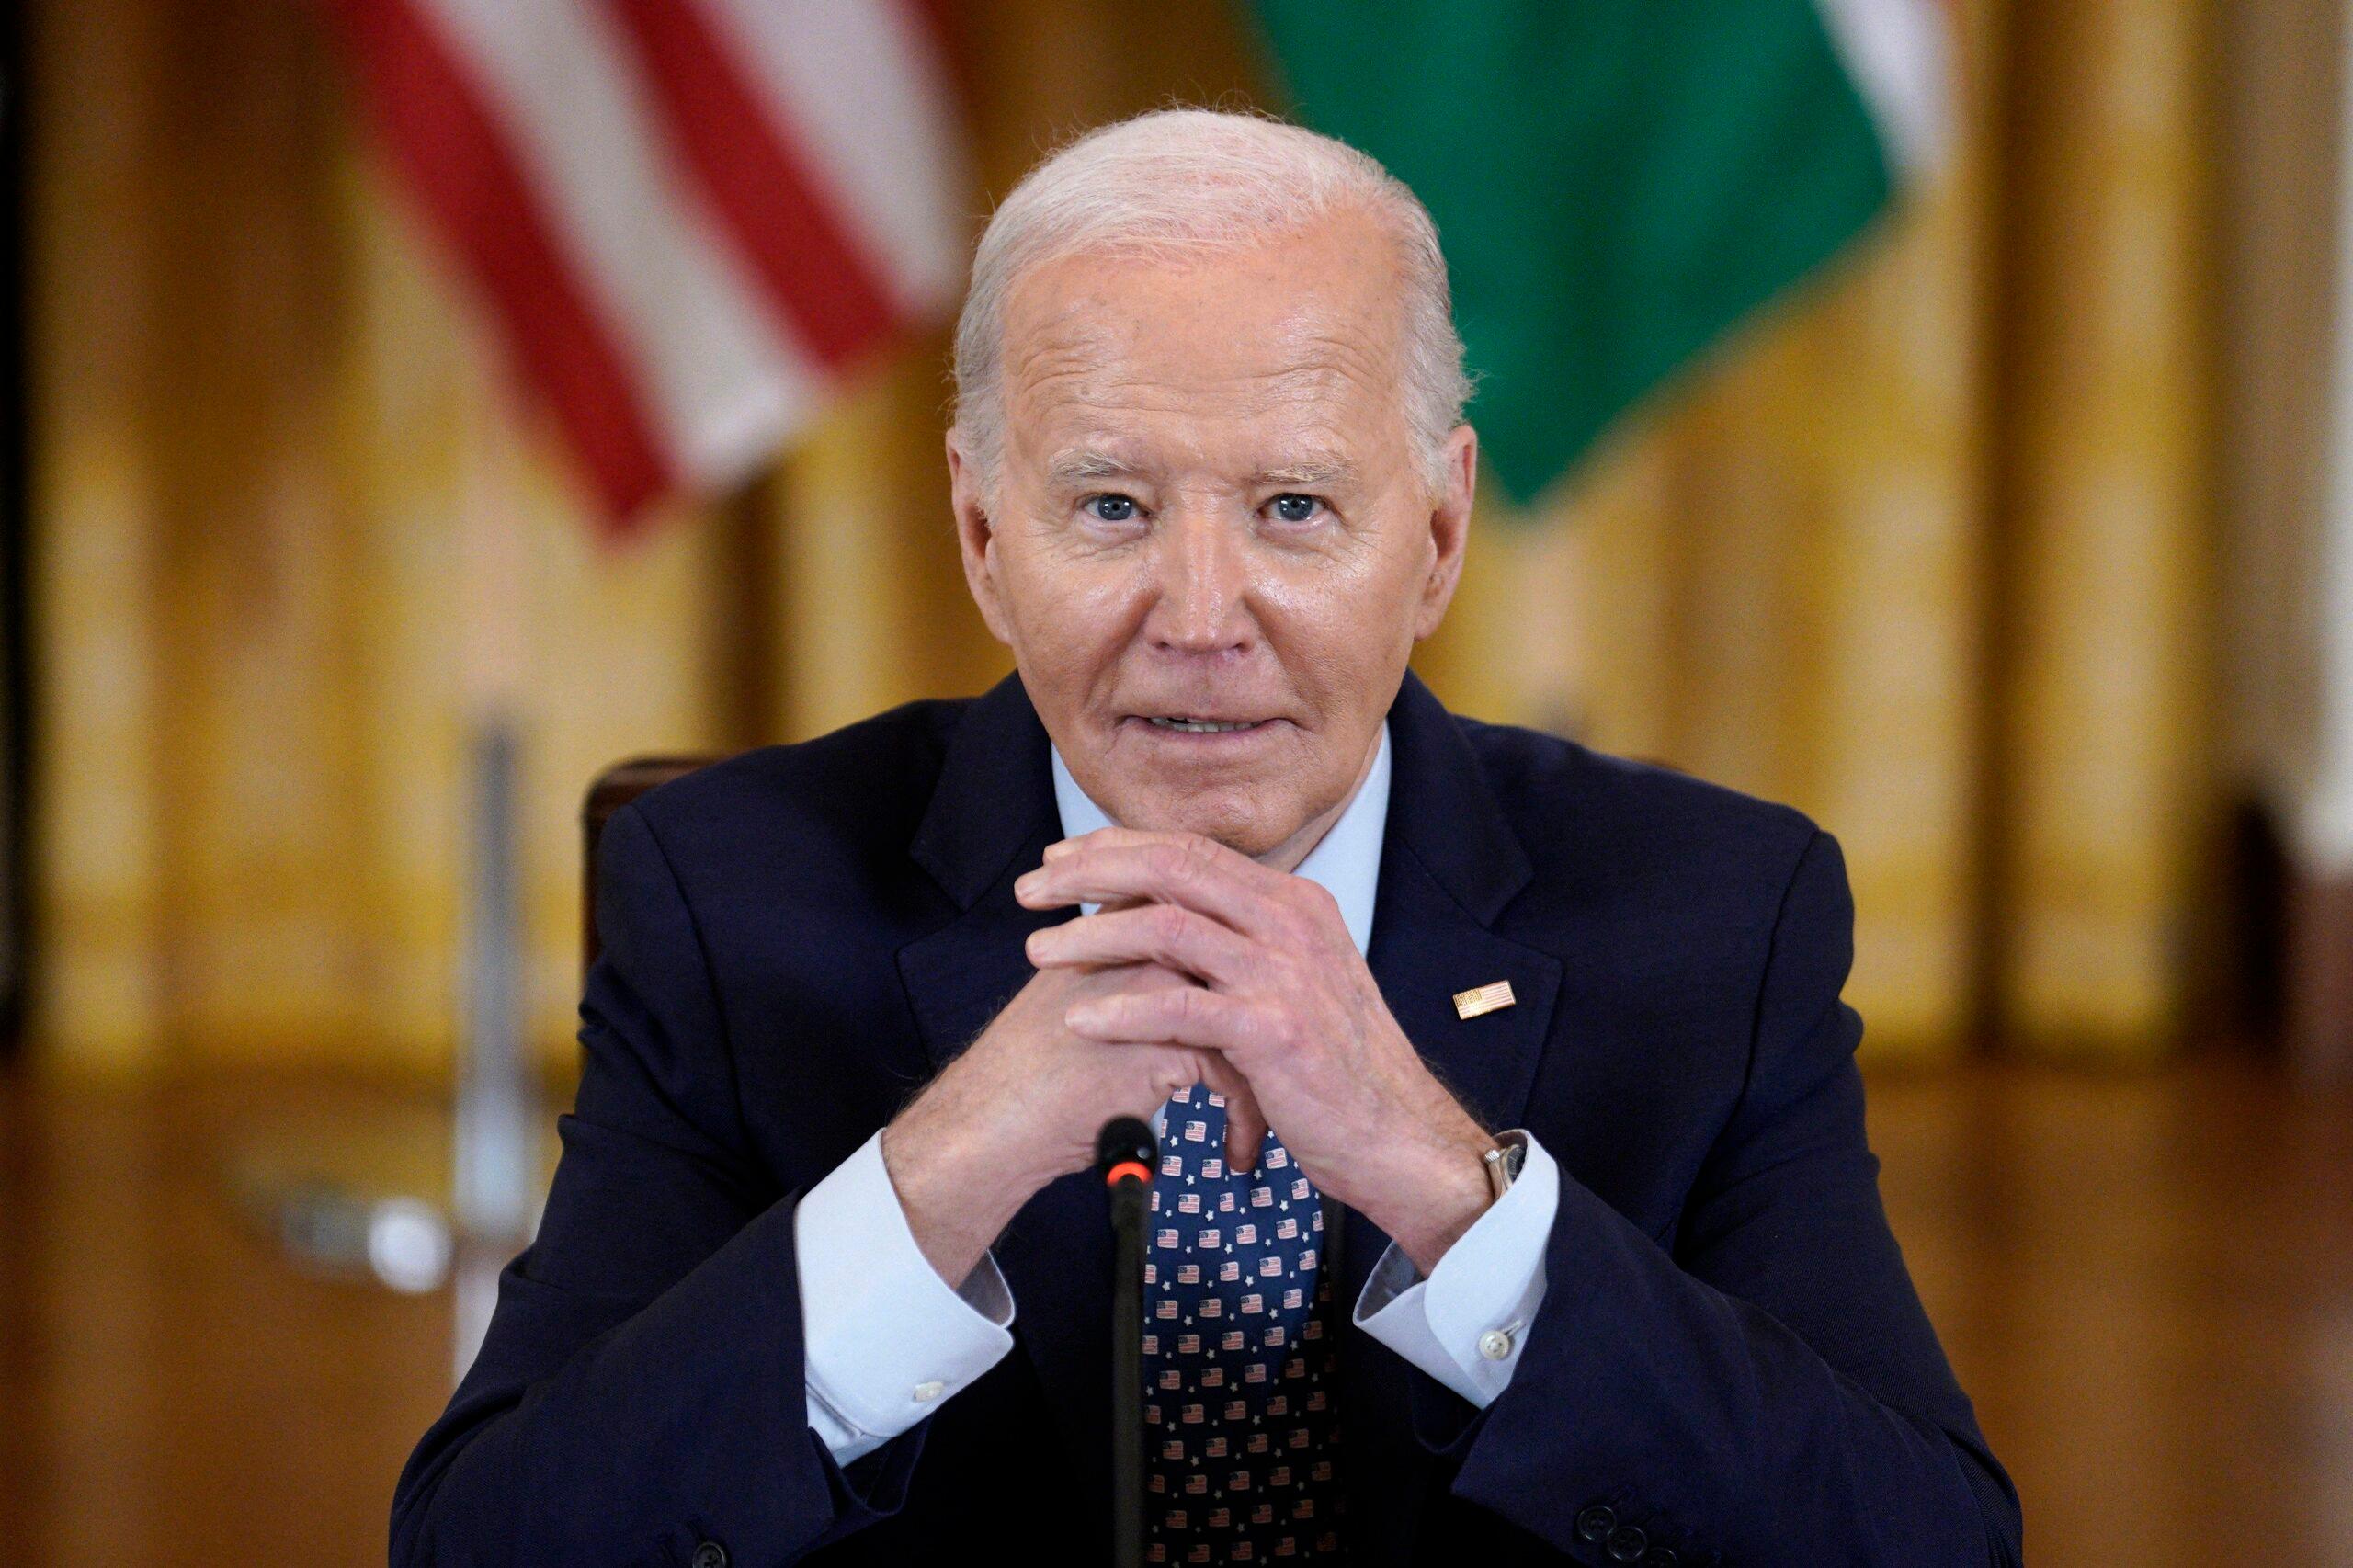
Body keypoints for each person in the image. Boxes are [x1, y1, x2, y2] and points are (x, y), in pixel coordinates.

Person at [391, 108, 2020, 1568]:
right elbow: (487, 1540)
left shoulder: (1719, 920)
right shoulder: (732, 902)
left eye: (1295, 509)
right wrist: (938, 1171)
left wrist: (1448, 1189)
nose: (1198, 616)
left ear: (1438, 538)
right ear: (980, 534)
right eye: (1110, 505)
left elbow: (1925, 1540)